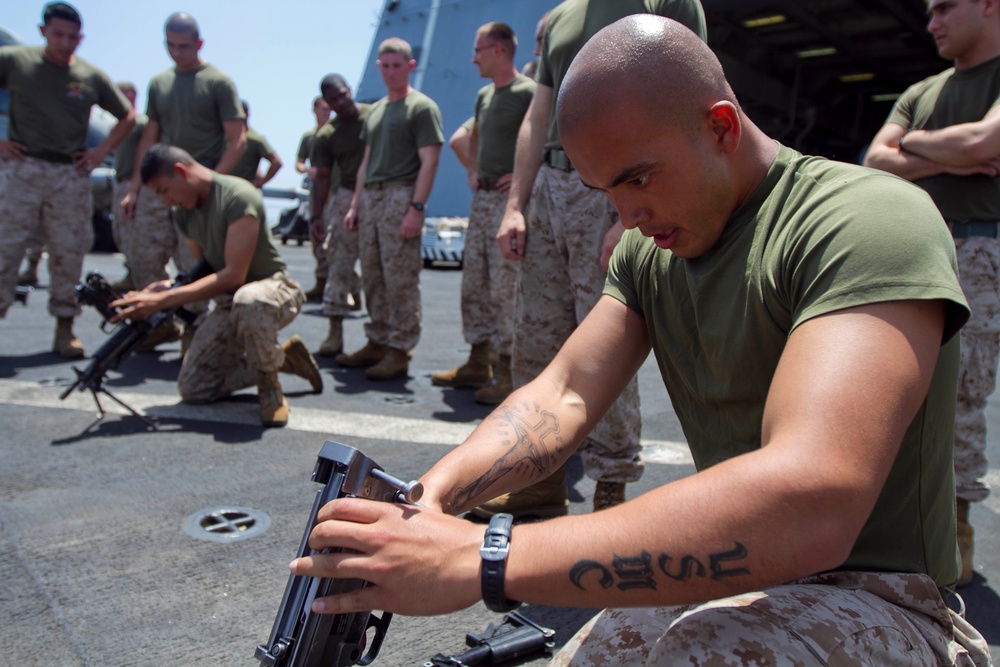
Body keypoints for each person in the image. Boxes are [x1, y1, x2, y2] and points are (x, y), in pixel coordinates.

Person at [287, 16, 993, 665]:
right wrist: (429, 497)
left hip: (888, 604)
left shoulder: (865, 219)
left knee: (705, 653)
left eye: (638, 177)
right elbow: (562, 395)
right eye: (605, 190)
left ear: (720, 126)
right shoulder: (649, 254)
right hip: (737, 577)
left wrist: (484, 555)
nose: (626, 214)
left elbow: (812, 498)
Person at [485, 0, 707, 517]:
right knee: (535, 339)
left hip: (610, 189)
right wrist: (516, 205)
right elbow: (538, 115)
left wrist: (624, 214)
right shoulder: (562, 16)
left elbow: (686, 100)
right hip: (551, 191)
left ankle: (611, 484)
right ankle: (537, 482)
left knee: (605, 347)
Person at [862, 0, 1000, 589]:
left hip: (981, 250)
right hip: (913, 251)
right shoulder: (922, 91)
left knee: (963, 394)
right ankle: (892, 525)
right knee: (895, 386)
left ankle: (956, 525)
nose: (932, 22)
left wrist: (915, 148)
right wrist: (958, 151)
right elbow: (874, 159)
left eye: (945, 7)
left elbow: (984, 141)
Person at [111, 144, 323, 428]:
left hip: (272, 289)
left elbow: (234, 275)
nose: (166, 200)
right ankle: (283, 358)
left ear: (179, 172)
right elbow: (206, 269)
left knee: (249, 301)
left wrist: (166, 300)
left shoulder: (238, 196)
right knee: (194, 389)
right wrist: (163, 288)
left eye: (163, 190)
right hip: (230, 301)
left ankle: (270, 387)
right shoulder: (183, 212)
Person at [0, 2, 136, 358]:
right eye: (58, 35)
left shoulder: (90, 75)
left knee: (68, 252)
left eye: (72, 37)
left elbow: (128, 116)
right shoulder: (17, 61)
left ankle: (65, 328)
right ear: (43, 31)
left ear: (82, 38)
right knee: (6, 247)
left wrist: (99, 151)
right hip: (23, 168)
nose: (65, 43)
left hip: (69, 175)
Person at [431, 22, 535, 406]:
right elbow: (466, 139)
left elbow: (545, 137)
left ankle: (508, 371)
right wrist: (473, 169)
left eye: (478, 50)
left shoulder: (528, 92)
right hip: (483, 200)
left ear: (499, 50)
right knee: (474, 282)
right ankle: (478, 360)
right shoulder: (484, 96)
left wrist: (526, 179)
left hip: (511, 205)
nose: (473, 58)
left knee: (505, 288)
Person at [337, 37, 443, 381]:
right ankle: (378, 340)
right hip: (372, 198)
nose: (391, 72)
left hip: (401, 195)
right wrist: (355, 205)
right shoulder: (377, 110)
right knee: (373, 275)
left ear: (410, 67)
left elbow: (430, 160)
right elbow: (365, 163)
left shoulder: (421, 107)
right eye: (386, 66)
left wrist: (416, 208)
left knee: (400, 279)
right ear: (378, 67)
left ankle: (399, 349)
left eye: (398, 65)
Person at [119, 12, 246, 221]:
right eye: (170, 45)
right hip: (160, 182)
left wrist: (210, 183)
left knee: (195, 253)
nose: (176, 52)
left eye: (183, 46)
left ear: (199, 43)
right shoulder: (159, 83)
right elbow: (149, 139)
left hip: (197, 183)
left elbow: (238, 140)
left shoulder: (218, 83)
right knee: (147, 251)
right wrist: (134, 189)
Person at [111, 80, 199, 351]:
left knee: (191, 258)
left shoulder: (138, 122)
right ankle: (161, 324)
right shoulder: (146, 119)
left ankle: (192, 327)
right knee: (144, 254)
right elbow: (146, 146)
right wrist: (135, 189)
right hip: (150, 184)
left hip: (185, 184)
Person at [311, 74, 369, 358]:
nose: (340, 102)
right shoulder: (326, 135)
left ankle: (383, 341)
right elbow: (321, 179)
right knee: (338, 265)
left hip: (379, 193)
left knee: (380, 270)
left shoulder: (374, 117)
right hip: (345, 197)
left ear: (349, 90)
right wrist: (316, 217)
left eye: (343, 95)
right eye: (333, 100)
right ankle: (335, 333)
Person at [297, 96, 332, 301]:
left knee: (337, 240)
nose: (327, 112)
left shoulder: (336, 134)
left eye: (329, 109)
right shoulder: (309, 137)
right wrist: (308, 170)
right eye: (323, 108)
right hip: (316, 193)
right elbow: (299, 163)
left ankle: (345, 289)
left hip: (335, 193)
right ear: (314, 110)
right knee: (317, 237)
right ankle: (321, 283)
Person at [230, 100, 282, 188]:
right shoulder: (226, 136)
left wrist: (260, 182)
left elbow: (276, 162)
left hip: (244, 188)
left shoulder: (255, 139)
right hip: (226, 187)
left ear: (246, 113)